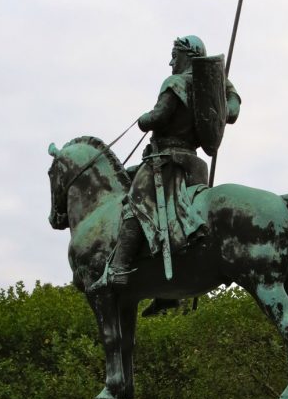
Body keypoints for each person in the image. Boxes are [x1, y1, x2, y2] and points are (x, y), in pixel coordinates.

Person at [95, 35, 240, 289]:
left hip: (165, 161)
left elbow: (160, 116)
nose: (171, 61)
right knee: (170, 217)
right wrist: (216, 104)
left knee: (135, 202)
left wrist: (144, 119)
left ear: (186, 54)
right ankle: (164, 292)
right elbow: (234, 111)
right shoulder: (215, 87)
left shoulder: (175, 83)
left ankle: (119, 268)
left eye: (174, 54)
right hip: (194, 166)